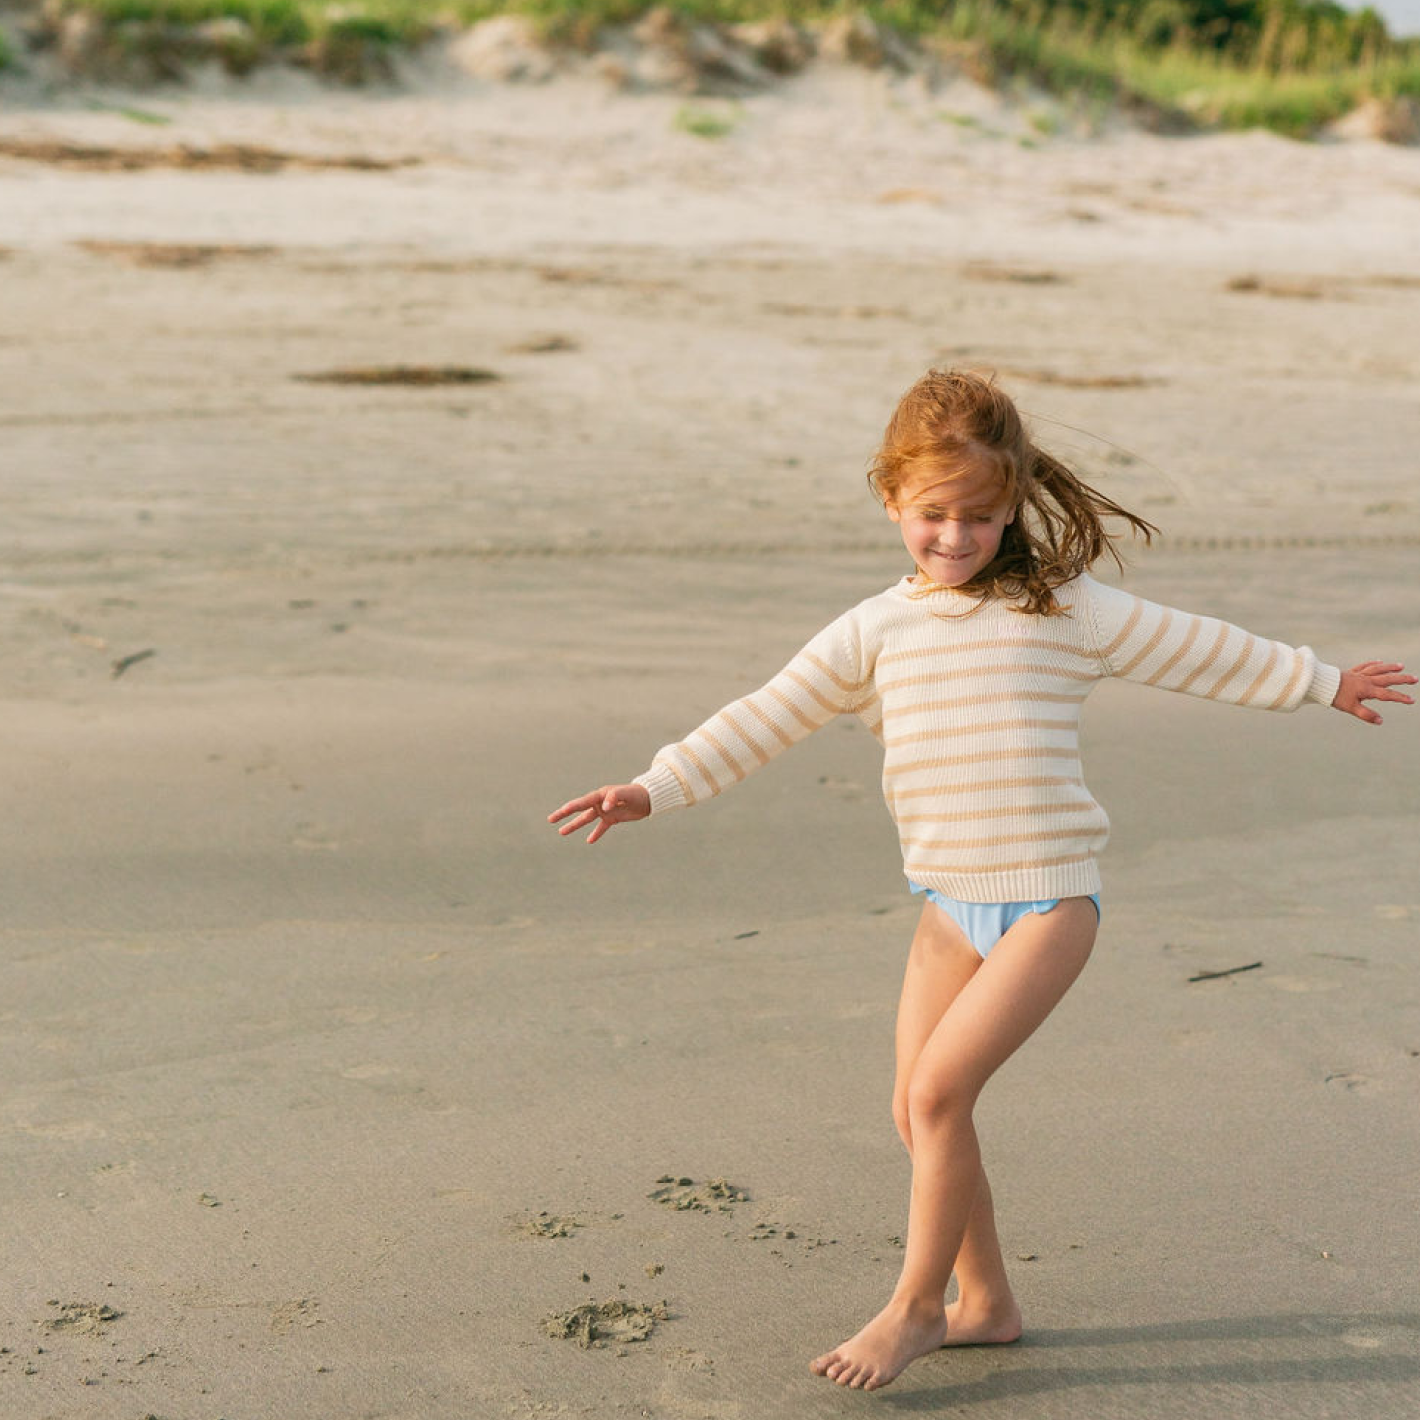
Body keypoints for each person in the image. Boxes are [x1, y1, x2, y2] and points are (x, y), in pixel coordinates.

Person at [547, 369, 1413, 1391]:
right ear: (890, 502)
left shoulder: (1066, 609)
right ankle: (987, 1301)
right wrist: (656, 786)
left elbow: (1197, 647)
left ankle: (915, 1306)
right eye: (931, 516)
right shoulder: (873, 630)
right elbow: (763, 713)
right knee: (916, 1113)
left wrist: (1319, 681)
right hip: (948, 907)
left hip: (1049, 900)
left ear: (1012, 506)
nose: (954, 538)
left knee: (941, 1091)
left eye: (979, 517)